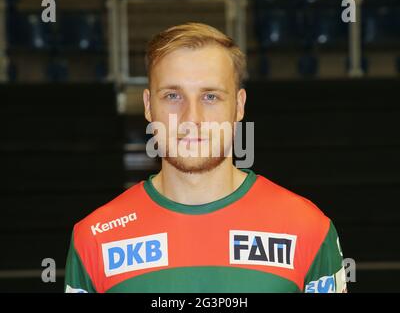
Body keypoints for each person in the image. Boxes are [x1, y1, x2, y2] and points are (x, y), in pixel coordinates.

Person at [65, 22, 347, 293]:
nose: (192, 118)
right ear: (149, 107)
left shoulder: (308, 229)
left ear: (239, 106)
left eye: (210, 97)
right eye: (173, 96)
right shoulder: (95, 238)